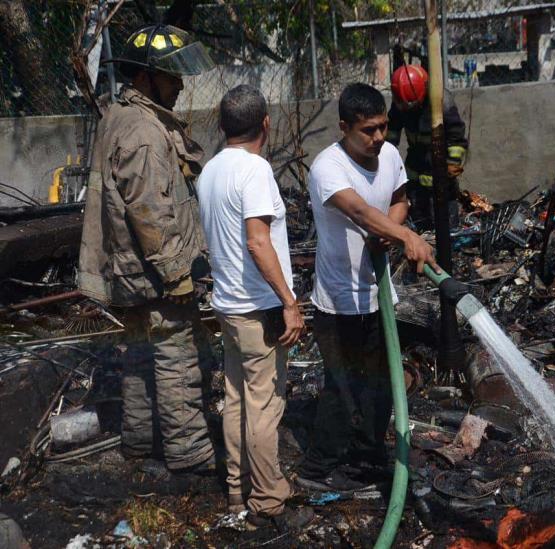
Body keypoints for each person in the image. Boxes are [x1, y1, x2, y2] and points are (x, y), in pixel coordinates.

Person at [78, 24, 216, 473]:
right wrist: (177, 273)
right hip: (154, 274)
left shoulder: (119, 116)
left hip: (129, 272)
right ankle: (187, 453)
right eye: (171, 76)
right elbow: (151, 212)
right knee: (177, 359)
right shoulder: (144, 132)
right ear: (145, 78)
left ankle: (138, 442)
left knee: (139, 359)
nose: (180, 84)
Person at [295, 83, 438, 491]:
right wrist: (405, 237)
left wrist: (390, 229)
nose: (378, 138)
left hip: (379, 298)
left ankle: (367, 459)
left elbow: (400, 198)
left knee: (382, 384)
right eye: (368, 130)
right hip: (338, 301)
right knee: (342, 388)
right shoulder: (328, 167)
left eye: (382, 127)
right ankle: (317, 470)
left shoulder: (389, 154)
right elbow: (358, 209)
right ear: (344, 127)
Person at [197, 84, 312, 532]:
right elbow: (257, 240)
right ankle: (266, 499)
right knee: (264, 405)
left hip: (226, 305)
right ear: (266, 124)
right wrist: (289, 302)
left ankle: (235, 489)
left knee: (236, 398)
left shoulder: (210, 172)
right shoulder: (255, 170)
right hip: (257, 307)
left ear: (223, 126)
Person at [386, 64, 469, 230]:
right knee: (418, 222)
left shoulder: (440, 101)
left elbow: (456, 136)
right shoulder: (400, 101)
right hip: (415, 165)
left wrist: (452, 163)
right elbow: (391, 134)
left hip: (440, 167)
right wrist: (384, 160)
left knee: (446, 224)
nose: (409, 110)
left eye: (413, 105)